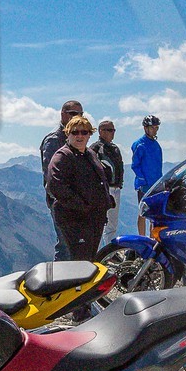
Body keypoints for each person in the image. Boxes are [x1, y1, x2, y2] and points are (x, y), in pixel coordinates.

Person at [46, 115, 113, 261]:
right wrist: (82, 206)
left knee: (89, 258)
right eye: (75, 132)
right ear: (67, 133)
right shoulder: (62, 156)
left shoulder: (90, 154)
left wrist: (106, 200)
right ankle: (73, 284)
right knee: (79, 260)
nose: (80, 136)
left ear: (90, 135)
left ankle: (85, 284)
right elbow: (55, 186)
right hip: (74, 219)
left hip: (94, 217)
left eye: (84, 132)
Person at [39, 99, 83, 259]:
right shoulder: (53, 140)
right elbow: (51, 178)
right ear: (63, 115)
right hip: (61, 203)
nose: (77, 117)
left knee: (76, 244)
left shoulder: (77, 138)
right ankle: (59, 282)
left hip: (77, 202)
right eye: (73, 113)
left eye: (80, 114)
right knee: (65, 245)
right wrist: (63, 201)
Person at [91, 119, 124, 248]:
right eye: (109, 130)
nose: (112, 133)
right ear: (101, 131)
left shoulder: (115, 148)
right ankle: (96, 252)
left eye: (113, 130)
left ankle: (109, 251)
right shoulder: (95, 148)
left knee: (112, 224)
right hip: (103, 190)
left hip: (116, 189)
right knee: (100, 222)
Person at [130, 114, 163, 232]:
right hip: (144, 184)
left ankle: (152, 239)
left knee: (154, 214)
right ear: (145, 128)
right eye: (152, 128)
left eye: (156, 128)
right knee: (142, 213)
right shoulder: (139, 144)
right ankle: (142, 238)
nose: (155, 130)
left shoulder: (156, 144)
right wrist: (142, 179)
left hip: (156, 183)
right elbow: (135, 165)